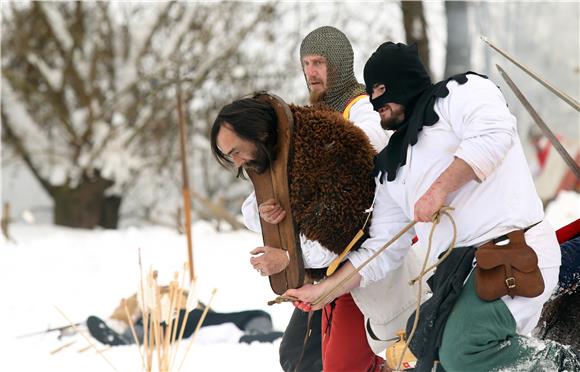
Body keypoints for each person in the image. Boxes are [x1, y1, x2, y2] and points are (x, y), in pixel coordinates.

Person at [285, 41, 580, 371]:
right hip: (456, 274)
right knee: (432, 358)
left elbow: (494, 133)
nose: (375, 101)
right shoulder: (391, 168)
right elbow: (381, 248)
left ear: (405, 79)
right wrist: (324, 289)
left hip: (515, 252)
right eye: (370, 92)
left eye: (381, 88)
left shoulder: (462, 92)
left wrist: (439, 190)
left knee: (464, 348)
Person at [211, 93, 405, 372]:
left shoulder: (328, 147)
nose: (238, 163)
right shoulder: (275, 153)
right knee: (303, 356)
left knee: (340, 366)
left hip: (368, 273)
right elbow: (251, 211)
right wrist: (267, 212)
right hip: (335, 280)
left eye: (236, 152)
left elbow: (337, 239)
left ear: (259, 133)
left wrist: (288, 258)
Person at [239, 26, 389, 372]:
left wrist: (313, 154)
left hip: (360, 257)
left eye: (319, 62)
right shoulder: (310, 121)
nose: (311, 72)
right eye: (306, 63)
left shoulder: (362, 109)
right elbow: (252, 211)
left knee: (331, 360)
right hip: (322, 265)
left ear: (339, 63)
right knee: (298, 354)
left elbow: (369, 144)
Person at [86, 288, 282, 346]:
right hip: (160, 318)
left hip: (193, 316)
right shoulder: (140, 295)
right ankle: (121, 340)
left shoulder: (183, 291)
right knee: (145, 326)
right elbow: (121, 317)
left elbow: (207, 310)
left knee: (258, 314)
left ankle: (257, 334)